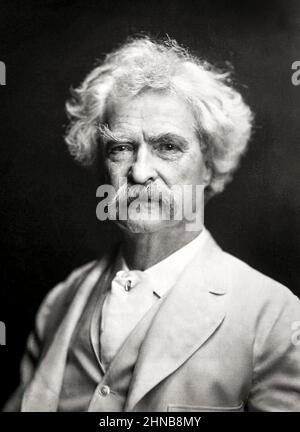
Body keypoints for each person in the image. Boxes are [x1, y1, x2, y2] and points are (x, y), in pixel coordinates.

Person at [4, 36, 300, 412]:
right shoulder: (59, 303)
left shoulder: (275, 317)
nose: (140, 172)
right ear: (101, 164)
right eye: (121, 148)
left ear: (208, 165)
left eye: (168, 147)